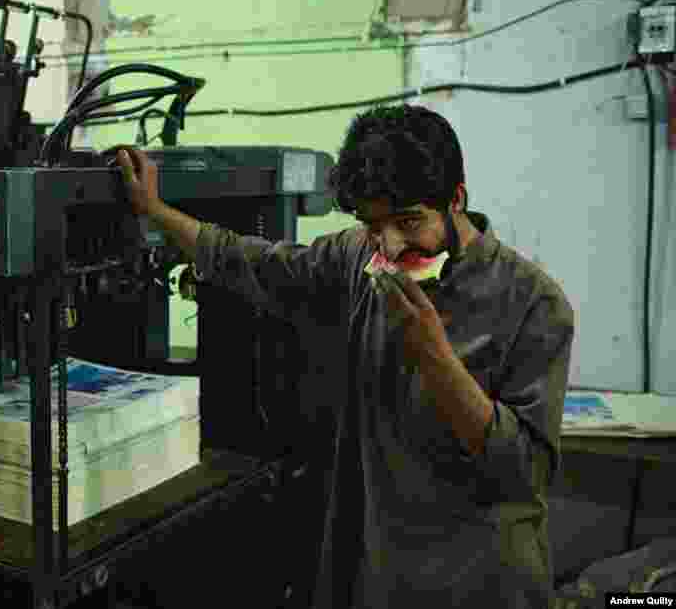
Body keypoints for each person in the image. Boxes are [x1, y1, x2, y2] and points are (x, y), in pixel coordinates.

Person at [112, 104, 574, 609]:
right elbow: (258, 264)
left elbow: (524, 477)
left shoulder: (534, 304)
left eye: (409, 222)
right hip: (376, 568)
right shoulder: (357, 259)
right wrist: (156, 213)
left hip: (477, 577)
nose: (390, 246)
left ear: (456, 200)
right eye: (373, 225)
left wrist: (437, 360)